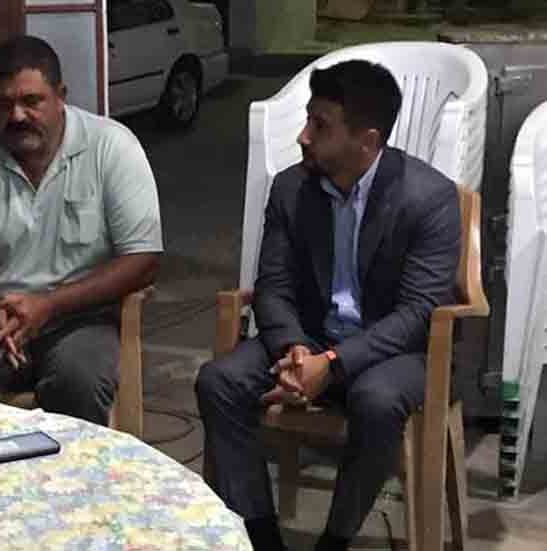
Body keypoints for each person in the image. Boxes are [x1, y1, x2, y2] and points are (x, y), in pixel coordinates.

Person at [195, 60, 461, 551]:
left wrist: (334, 364)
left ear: (367, 140)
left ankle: (334, 543)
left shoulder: (429, 198)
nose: (302, 136)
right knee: (219, 382)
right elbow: (273, 285)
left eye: (320, 126)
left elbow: (416, 314)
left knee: (377, 401)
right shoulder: (292, 188)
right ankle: (260, 538)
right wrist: (296, 350)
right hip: (310, 336)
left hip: (390, 350)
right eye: (307, 119)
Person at [0, 35, 162, 425]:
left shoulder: (111, 147)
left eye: (31, 101)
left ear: (61, 96)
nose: (17, 116)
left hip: (80, 319)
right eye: (3, 103)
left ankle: (72, 469)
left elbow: (144, 260)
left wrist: (49, 305)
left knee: (78, 380)